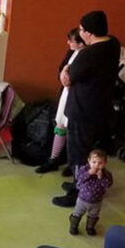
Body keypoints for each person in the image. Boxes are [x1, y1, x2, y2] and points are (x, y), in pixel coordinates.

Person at [53, 10, 121, 207]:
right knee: (86, 149)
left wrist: (65, 68)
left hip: (82, 109)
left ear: (89, 33)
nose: (79, 32)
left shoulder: (88, 54)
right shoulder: (113, 44)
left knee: (77, 153)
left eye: (82, 29)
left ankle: (78, 191)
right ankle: (81, 183)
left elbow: (67, 80)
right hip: (100, 107)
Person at [36, 28, 86, 174]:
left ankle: (72, 163)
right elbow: (61, 70)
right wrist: (63, 72)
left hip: (76, 96)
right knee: (60, 125)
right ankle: (54, 158)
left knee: (72, 129)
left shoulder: (85, 57)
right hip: (66, 94)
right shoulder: (71, 53)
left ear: (81, 43)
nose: (68, 43)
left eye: (71, 40)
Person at [70, 149, 113, 236]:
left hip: (96, 201)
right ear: (89, 161)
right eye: (94, 162)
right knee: (77, 214)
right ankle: (73, 226)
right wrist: (88, 173)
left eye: (100, 163)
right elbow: (79, 178)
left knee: (93, 216)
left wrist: (101, 177)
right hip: (82, 199)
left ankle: (90, 227)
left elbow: (108, 185)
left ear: (105, 163)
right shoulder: (84, 170)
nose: (97, 165)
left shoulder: (106, 174)